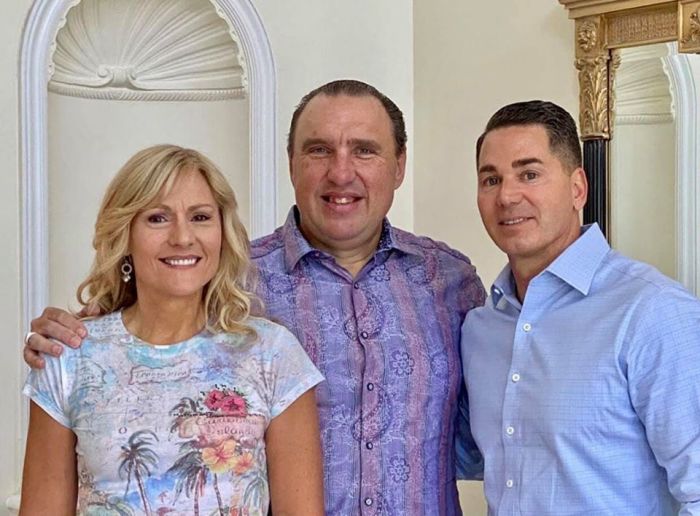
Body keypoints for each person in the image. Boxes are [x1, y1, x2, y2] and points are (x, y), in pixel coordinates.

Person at [24, 80, 486, 514]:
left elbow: (490, 429)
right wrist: (72, 337)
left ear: (400, 164)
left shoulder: (447, 279)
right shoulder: (233, 278)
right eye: (319, 150)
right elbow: (144, 342)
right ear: (291, 162)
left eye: (364, 151)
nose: (340, 171)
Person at [20, 145, 324, 516]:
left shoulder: (273, 355)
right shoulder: (69, 358)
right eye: (157, 218)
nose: (182, 237)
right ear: (124, 234)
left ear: (222, 233)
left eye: (200, 217)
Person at [461, 100, 700, 514]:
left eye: (529, 174)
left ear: (577, 189)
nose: (507, 195)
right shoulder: (481, 328)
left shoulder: (653, 313)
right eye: (490, 179)